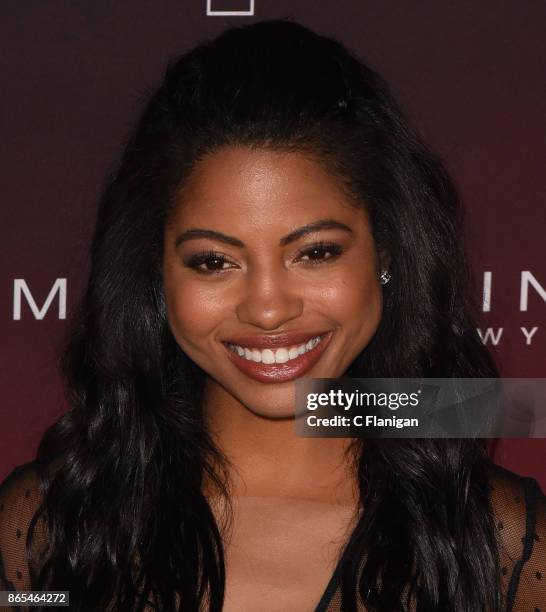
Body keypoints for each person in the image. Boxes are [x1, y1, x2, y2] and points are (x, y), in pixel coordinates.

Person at [0, 18, 544, 612]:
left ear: (385, 251)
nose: (267, 308)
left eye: (315, 252)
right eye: (213, 261)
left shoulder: (500, 548)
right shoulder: (52, 535)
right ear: (156, 271)